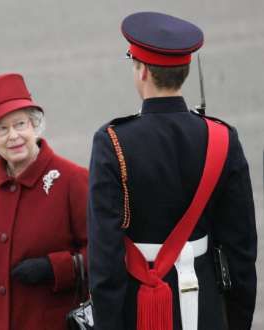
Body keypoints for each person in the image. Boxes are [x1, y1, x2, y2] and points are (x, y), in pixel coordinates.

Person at [88, 12, 257, 330]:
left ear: (141, 71)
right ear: (186, 71)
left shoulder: (112, 140)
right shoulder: (222, 137)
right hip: (207, 303)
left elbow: (105, 257)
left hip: (136, 308)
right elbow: (241, 248)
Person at [0, 73, 88, 330]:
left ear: (35, 126)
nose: (13, 136)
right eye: (2, 129)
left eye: (20, 124)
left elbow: (109, 254)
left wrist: (56, 268)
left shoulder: (73, 180)